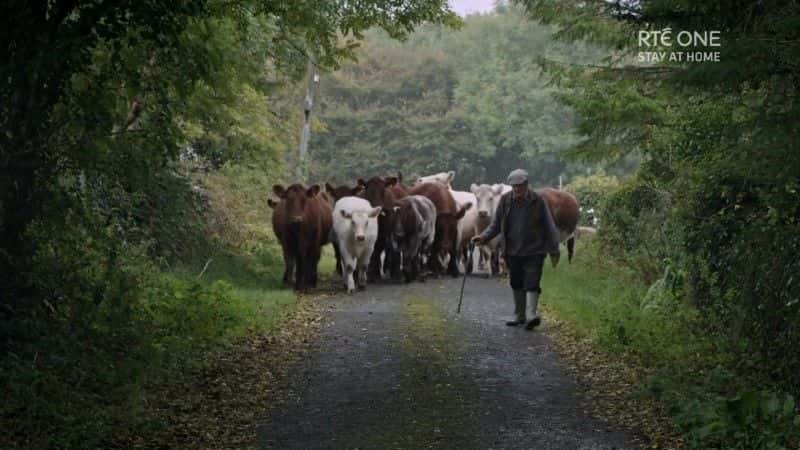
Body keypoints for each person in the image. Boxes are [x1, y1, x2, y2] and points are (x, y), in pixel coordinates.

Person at [471, 169, 560, 330]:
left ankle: (531, 315)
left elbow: (549, 226)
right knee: (516, 282)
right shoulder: (505, 201)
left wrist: (554, 249)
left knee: (532, 282)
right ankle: (519, 314)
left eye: (520, 186)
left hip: (535, 249)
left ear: (526, 184)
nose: (517, 189)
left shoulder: (538, 200)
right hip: (512, 249)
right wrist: (483, 237)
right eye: (514, 186)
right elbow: (496, 225)